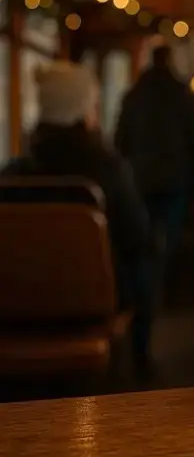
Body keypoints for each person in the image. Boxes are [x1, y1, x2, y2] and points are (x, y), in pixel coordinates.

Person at [0, 61, 153, 365]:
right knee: (144, 255)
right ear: (84, 112)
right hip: (93, 310)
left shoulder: (12, 177)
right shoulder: (109, 169)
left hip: (14, 312)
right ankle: (141, 358)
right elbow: (136, 236)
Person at [115, 45, 194, 267]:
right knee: (171, 234)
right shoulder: (183, 94)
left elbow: (120, 141)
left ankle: (149, 283)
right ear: (170, 61)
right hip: (176, 178)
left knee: (143, 236)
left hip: (140, 177)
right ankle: (166, 279)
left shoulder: (133, 96)